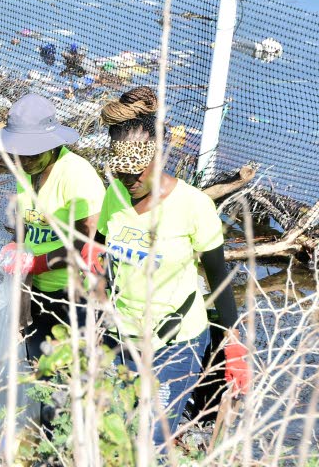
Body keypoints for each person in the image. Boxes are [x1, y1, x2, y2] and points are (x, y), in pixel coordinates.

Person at [89, 86, 249, 447]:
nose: (129, 182)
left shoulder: (193, 206)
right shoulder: (115, 194)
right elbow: (99, 256)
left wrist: (234, 347)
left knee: (151, 441)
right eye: (121, 173)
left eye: (136, 173)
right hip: (120, 338)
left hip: (174, 345)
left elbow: (218, 280)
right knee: (110, 438)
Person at [0, 93, 104, 359]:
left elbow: (86, 244)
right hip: (34, 287)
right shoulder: (26, 172)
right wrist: (11, 253)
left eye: (31, 154)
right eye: (17, 154)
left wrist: (35, 263)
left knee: (65, 366)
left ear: (52, 145)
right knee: (34, 358)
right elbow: (25, 224)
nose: (23, 161)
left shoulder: (77, 175)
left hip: (71, 294)